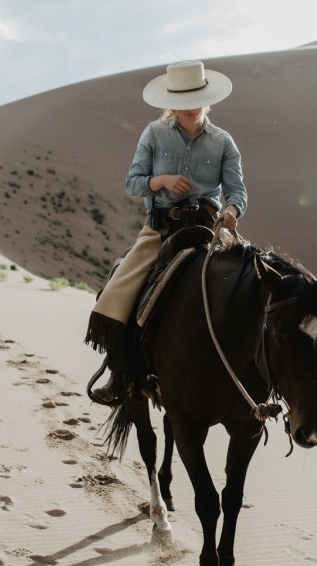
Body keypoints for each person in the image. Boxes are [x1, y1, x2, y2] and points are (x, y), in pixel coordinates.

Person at [84, 60, 247, 406]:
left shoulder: (223, 142)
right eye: (182, 101)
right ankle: (120, 373)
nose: (190, 108)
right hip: (160, 229)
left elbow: (237, 191)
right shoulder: (153, 134)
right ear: (171, 102)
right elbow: (132, 183)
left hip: (207, 229)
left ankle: (248, 379)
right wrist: (161, 181)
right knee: (118, 290)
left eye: (196, 99)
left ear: (207, 98)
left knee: (248, 289)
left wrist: (232, 210)